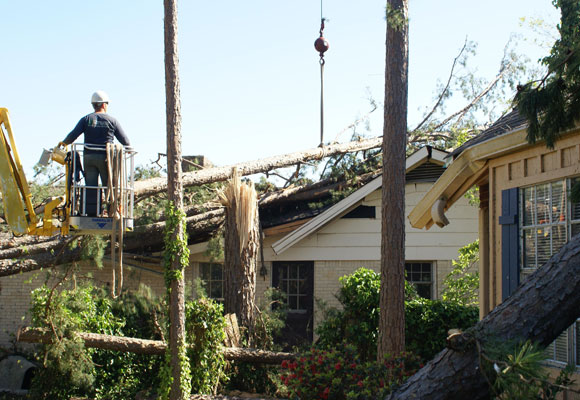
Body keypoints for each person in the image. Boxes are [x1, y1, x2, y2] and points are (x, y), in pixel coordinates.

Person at [62, 90, 130, 216]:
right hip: (106, 158)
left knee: (91, 186)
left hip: (89, 158)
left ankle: (91, 212)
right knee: (108, 186)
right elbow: (125, 140)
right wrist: (129, 149)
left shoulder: (86, 119)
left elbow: (72, 135)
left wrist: (62, 144)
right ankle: (112, 211)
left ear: (94, 105)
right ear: (104, 105)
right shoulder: (112, 120)